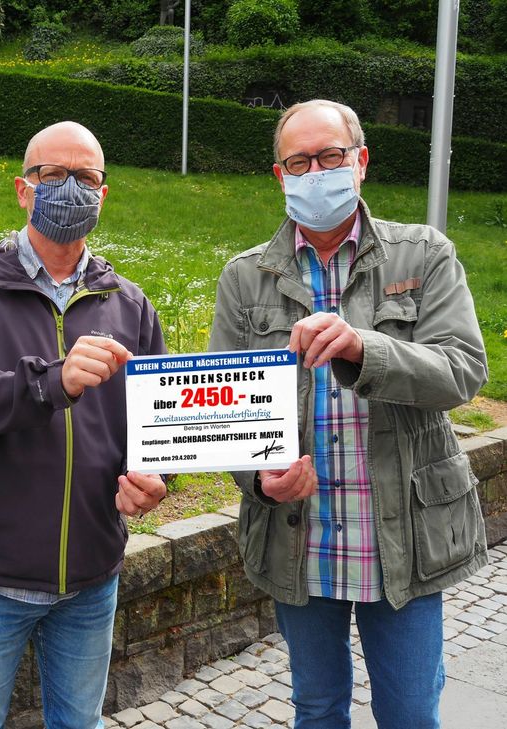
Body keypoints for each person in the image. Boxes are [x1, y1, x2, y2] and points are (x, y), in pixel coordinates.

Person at [208, 99, 489, 729]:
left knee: (411, 713)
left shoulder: (423, 255)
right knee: (317, 709)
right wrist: (259, 481)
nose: (315, 171)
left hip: (405, 534)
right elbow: (221, 414)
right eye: (298, 161)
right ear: (280, 175)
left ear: (359, 162)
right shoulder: (245, 277)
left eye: (330, 156)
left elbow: (464, 370)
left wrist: (367, 347)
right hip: (299, 536)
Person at [0, 121, 167, 728]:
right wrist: (50, 382)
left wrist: (156, 477)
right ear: (22, 189)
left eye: (85, 177)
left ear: (104, 193)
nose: (70, 189)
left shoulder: (130, 305)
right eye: (52, 175)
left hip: (91, 576)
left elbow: (158, 424)